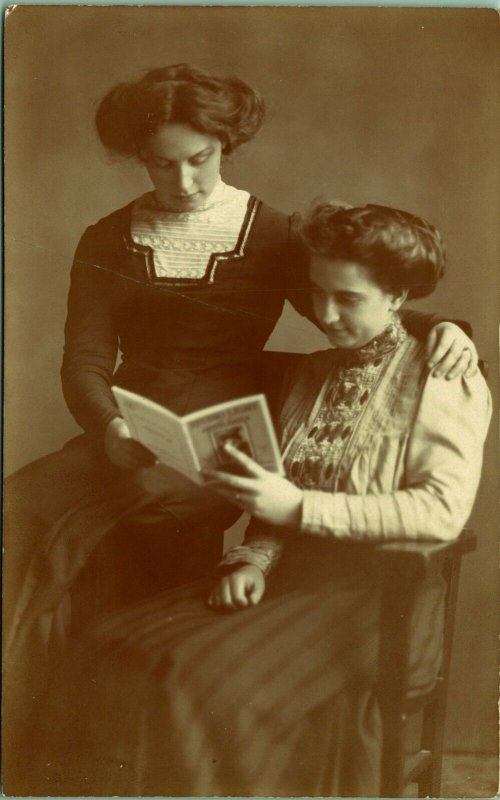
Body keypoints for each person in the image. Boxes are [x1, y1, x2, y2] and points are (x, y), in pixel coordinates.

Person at [4, 65, 477, 714]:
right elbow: (83, 362)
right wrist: (110, 427)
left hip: (222, 443)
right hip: (125, 434)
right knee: (18, 511)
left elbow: (350, 310)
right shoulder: (105, 239)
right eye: (159, 165)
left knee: (139, 522)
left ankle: (111, 715)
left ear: (226, 143)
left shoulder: (273, 232)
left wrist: (443, 324)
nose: (183, 182)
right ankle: (40, 720)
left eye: (199, 160)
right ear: (140, 159)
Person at [26, 203, 491, 798]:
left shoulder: (442, 375)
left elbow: (440, 512)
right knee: (109, 647)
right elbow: (274, 499)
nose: (324, 315)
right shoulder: (313, 373)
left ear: (398, 295)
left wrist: (296, 507)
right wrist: (251, 560)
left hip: (382, 601)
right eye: (317, 293)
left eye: (347, 299)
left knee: (183, 680)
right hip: (284, 583)